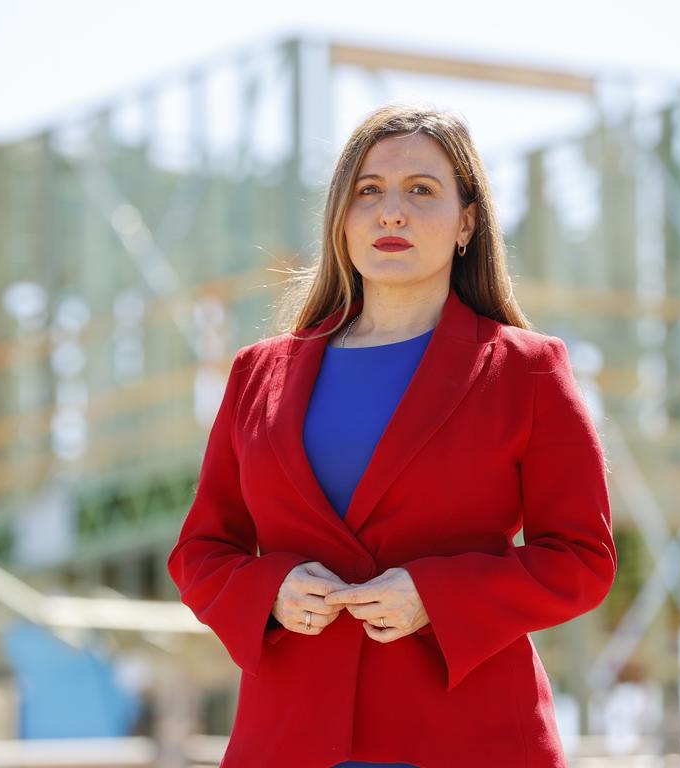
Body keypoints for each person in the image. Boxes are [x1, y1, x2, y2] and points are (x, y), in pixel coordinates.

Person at [167, 104, 617, 768]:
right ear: (341, 221)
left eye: (421, 190)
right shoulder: (257, 373)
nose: (392, 212)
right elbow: (201, 553)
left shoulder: (526, 369)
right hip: (288, 740)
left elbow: (581, 559)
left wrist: (436, 597)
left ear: (468, 221)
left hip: (468, 737)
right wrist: (271, 592)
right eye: (368, 191)